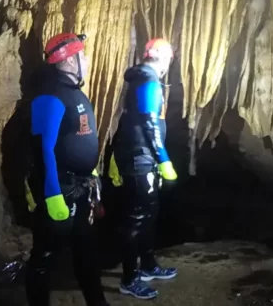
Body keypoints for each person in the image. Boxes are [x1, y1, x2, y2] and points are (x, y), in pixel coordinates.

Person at [24, 32, 107, 306]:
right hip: (61, 187)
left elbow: (78, 137)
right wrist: (52, 194)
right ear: (71, 60)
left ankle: (98, 303)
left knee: (86, 251)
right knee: (44, 255)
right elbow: (43, 148)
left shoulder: (75, 94)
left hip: (81, 187)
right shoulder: (49, 97)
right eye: (82, 54)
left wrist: (92, 174)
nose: (87, 59)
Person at [111, 37, 179, 300]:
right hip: (140, 160)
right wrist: (163, 158)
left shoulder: (144, 79)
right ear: (162, 58)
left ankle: (148, 266)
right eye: (169, 59)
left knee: (149, 214)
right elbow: (150, 123)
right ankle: (130, 278)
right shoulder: (149, 82)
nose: (168, 65)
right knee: (136, 220)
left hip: (141, 158)